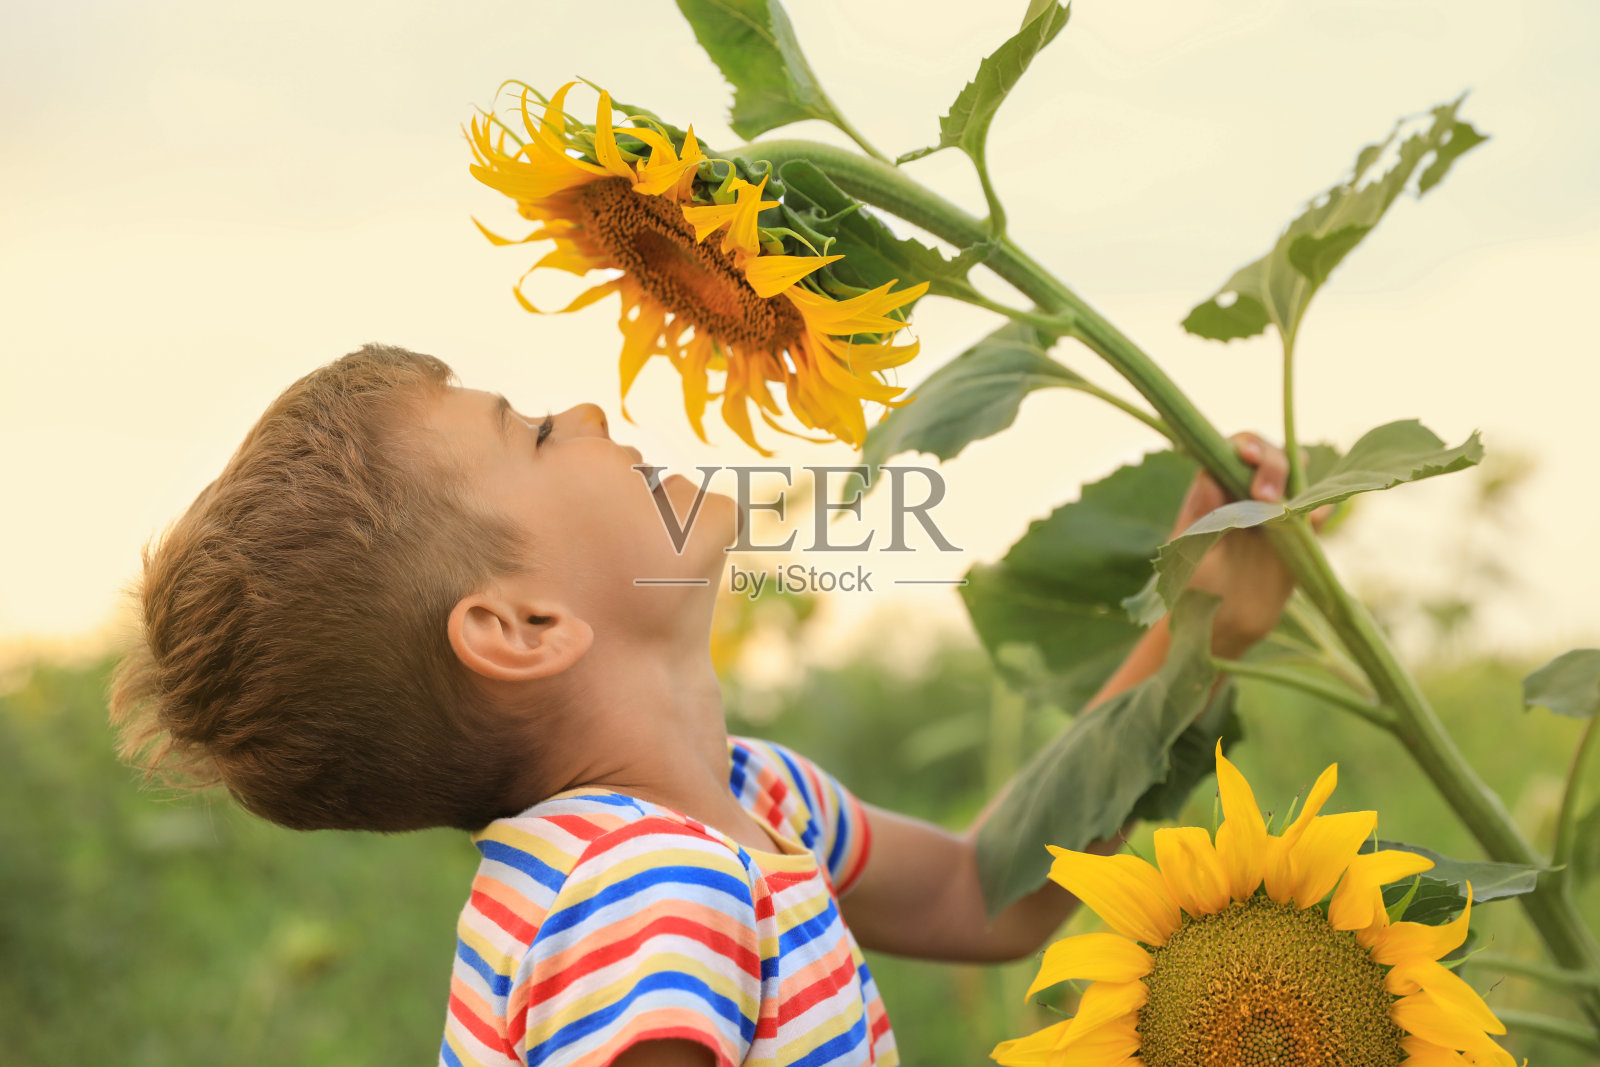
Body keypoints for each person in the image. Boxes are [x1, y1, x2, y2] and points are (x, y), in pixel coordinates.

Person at [111, 343, 1305, 1067]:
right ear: (521, 627)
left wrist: (1202, 625)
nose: (581, 411)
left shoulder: (746, 800)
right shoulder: (645, 895)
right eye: (528, 431)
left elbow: (984, 893)